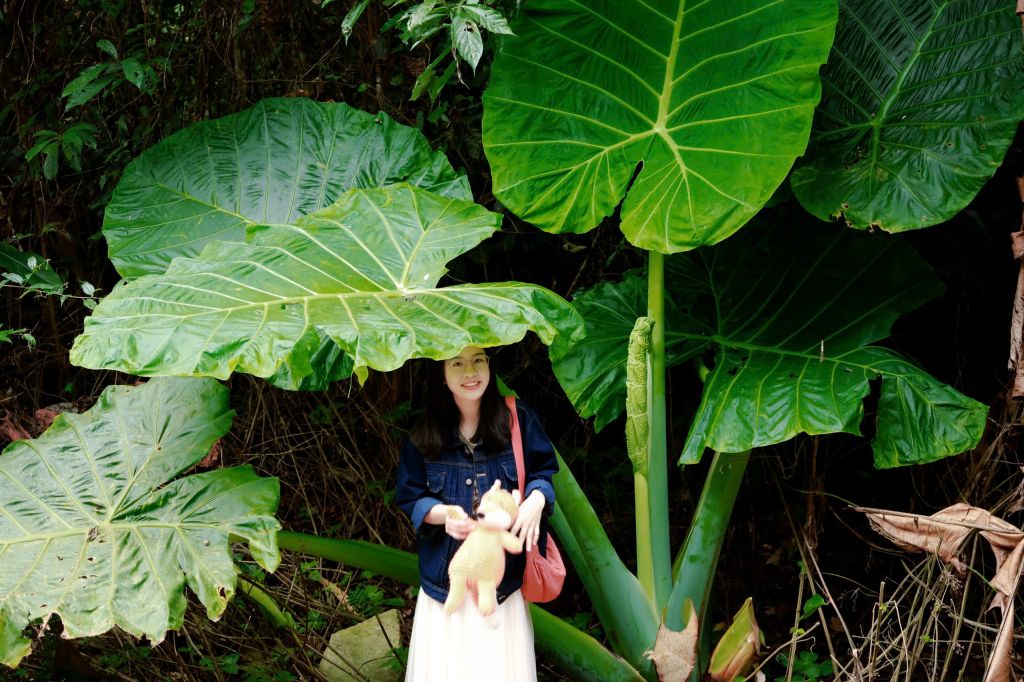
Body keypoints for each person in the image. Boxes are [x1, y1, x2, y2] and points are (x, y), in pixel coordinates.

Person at [395, 346, 558, 682]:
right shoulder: (423, 434)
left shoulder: (517, 420)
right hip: (445, 587)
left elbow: (543, 473)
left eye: (478, 360)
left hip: (501, 588)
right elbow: (411, 497)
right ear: (441, 373)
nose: (471, 372)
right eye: (457, 363)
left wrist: (536, 501)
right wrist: (442, 515)